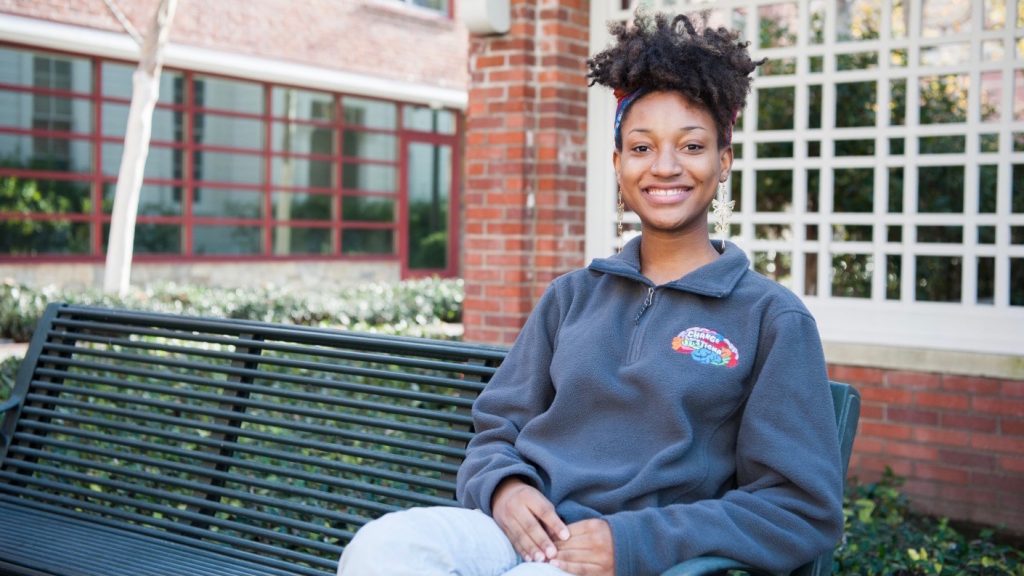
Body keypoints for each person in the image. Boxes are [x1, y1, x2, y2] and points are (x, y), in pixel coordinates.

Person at [337, 10, 843, 576]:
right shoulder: (572, 296)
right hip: (526, 533)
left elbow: (800, 510)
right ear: (619, 164)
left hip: (636, 560)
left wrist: (631, 542)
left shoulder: (769, 318)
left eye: (692, 146)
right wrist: (504, 488)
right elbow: (496, 429)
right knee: (383, 548)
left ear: (723, 161)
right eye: (643, 147)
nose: (666, 167)